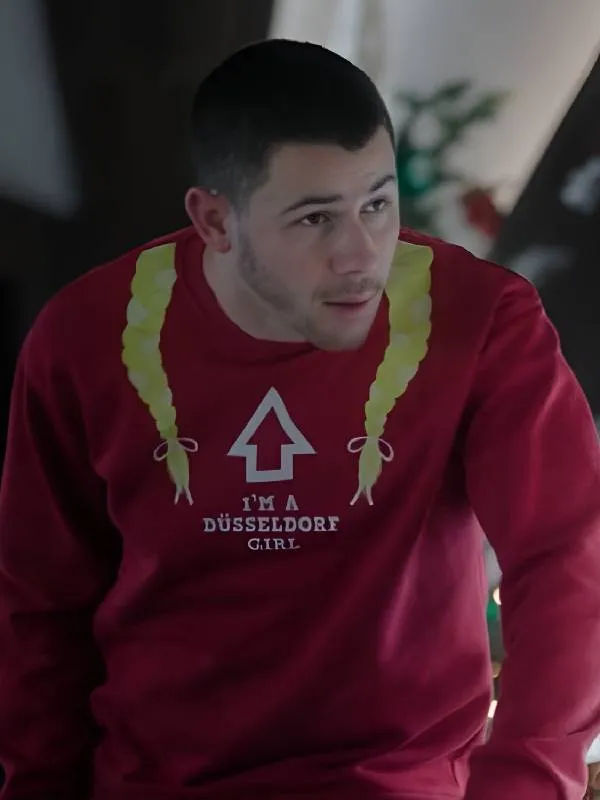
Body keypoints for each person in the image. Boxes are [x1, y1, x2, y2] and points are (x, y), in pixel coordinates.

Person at [0, 39, 599, 800]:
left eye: (377, 204)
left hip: (398, 786)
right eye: (316, 218)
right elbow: (40, 604)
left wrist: (522, 786)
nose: (361, 255)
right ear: (215, 220)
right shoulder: (87, 336)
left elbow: (567, 559)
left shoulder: (481, 319)